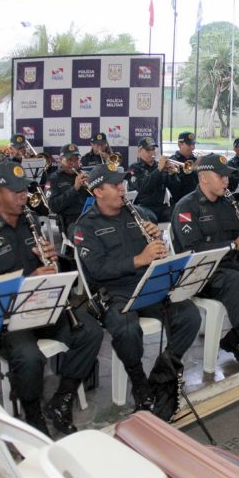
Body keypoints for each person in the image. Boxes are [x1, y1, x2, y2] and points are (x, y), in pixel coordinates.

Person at [0, 160, 103, 436]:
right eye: (15, 192)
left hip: (40, 305)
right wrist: (29, 279)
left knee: (91, 332)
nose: (23, 197)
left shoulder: (29, 222)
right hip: (6, 316)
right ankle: (32, 414)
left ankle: (61, 399)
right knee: (29, 357)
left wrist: (49, 264)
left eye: (24, 191)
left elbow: (45, 270)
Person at [75, 164, 201, 418]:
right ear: (98, 191)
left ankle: (162, 373)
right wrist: (139, 259)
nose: (123, 189)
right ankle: (139, 379)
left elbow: (156, 248)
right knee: (126, 328)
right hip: (114, 290)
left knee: (189, 314)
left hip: (147, 283)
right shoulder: (85, 226)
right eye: (115, 185)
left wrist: (157, 239)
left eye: (122, 183)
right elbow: (97, 270)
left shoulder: (138, 213)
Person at [172, 153, 239, 375]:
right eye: (220, 176)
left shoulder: (228, 203)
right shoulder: (186, 207)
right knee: (235, 280)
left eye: (227, 176)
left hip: (228, 269)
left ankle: (233, 340)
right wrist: (234, 245)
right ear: (203, 178)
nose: (226, 180)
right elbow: (193, 251)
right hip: (200, 273)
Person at [126, 137, 178, 222]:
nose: (151, 153)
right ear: (140, 151)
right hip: (142, 206)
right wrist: (158, 170)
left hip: (161, 206)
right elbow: (142, 187)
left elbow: (175, 190)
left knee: (179, 215)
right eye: (148, 150)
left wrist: (172, 174)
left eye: (153, 149)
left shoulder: (159, 166)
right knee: (151, 218)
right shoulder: (134, 168)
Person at [45, 144, 90, 233]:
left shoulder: (85, 175)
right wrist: (74, 188)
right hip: (70, 221)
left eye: (76, 159)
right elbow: (53, 206)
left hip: (90, 216)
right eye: (69, 160)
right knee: (85, 236)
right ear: (61, 160)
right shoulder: (54, 178)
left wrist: (92, 187)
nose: (73, 163)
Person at [168, 131, 199, 202]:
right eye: (189, 145)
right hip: (180, 200)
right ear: (179, 145)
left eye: (193, 144)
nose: (193, 147)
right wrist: (189, 171)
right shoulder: (172, 161)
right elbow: (174, 188)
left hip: (197, 199)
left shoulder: (196, 160)